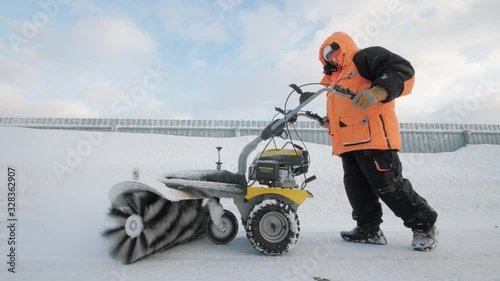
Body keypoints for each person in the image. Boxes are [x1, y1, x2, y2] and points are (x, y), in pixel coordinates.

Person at [316, 31, 438, 250]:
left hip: (374, 138)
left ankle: (424, 223)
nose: (330, 57)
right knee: (356, 188)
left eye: (332, 50)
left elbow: (403, 71)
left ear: (341, 46)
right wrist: (330, 121)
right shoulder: (336, 81)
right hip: (348, 144)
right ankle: (368, 229)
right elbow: (346, 109)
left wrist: (378, 91)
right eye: (325, 55)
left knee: (388, 186)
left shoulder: (364, 58)